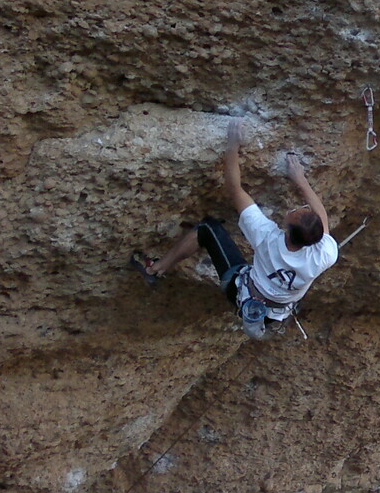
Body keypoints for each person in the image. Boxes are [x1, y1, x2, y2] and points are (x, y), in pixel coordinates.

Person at [132, 119, 339, 338]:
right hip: (275, 312)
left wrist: (232, 146)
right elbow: (322, 216)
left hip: (243, 295)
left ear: (287, 229)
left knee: (207, 229)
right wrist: (300, 179)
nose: (297, 207)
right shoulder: (324, 254)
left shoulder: (267, 237)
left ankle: (154, 270)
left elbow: (234, 189)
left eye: (296, 211)